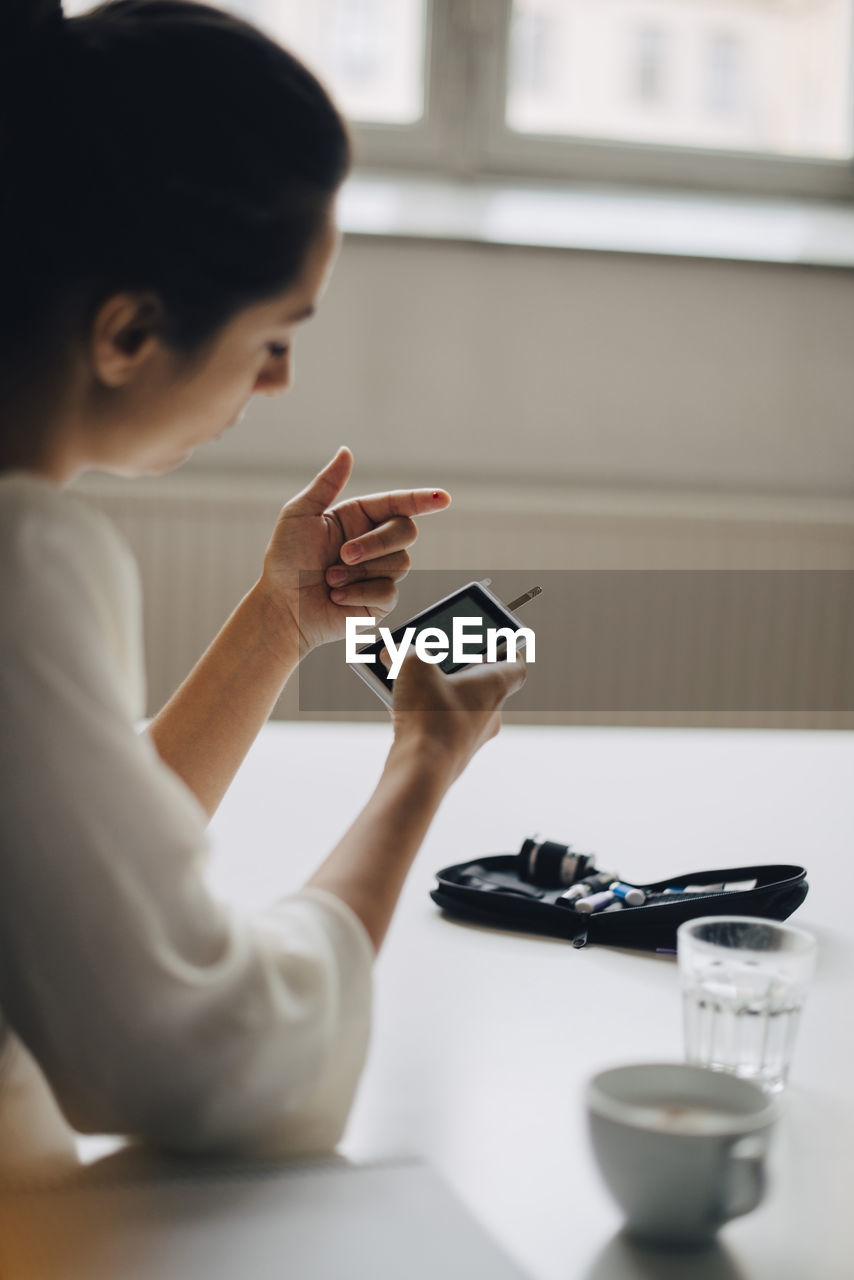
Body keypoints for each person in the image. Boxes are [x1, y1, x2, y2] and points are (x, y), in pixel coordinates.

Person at [0, 0, 525, 1174]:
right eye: (274, 333)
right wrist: (422, 763)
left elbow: (63, 864)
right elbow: (196, 1051)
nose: (281, 380)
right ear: (129, 331)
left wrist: (280, 618)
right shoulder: (18, 562)